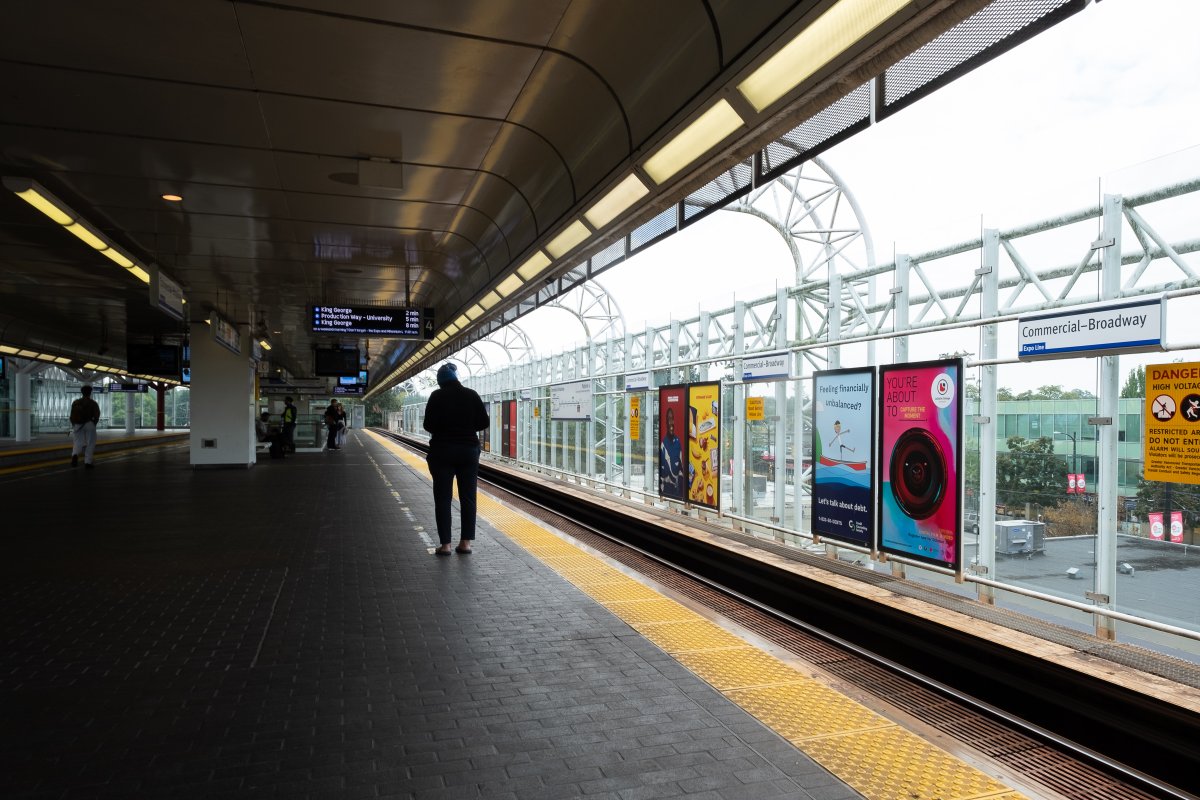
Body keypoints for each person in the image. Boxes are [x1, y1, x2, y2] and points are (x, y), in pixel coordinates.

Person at [422, 362, 489, 555]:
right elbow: (484, 421)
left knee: (443, 498)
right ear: (456, 377)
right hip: (468, 451)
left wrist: (445, 428)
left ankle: (445, 546)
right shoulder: (471, 394)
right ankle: (465, 543)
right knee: (468, 497)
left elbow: (428, 425)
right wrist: (466, 426)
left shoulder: (436, 396)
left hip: (442, 451)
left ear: (440, 381)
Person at [69, 385, 101, 469]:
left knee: (77, 442)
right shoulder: (93, 403)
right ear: (90, 393)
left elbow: (71, 415)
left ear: (82, 392)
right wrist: (93, 424)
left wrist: (74, 424)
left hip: (77, 425)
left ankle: (75, 455)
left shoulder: (76, 402)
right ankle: (88, 462)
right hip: (89, 423)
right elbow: (97, 415)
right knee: (90, 443)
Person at [658, 408, 683, 497]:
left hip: (678, 491)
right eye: (669, 419)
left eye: (672, 419)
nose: (671, 422)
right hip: (667, 490)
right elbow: (662, 475)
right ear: (666, 422)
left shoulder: (678, 442)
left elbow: (681, 467)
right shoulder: (663, 445)